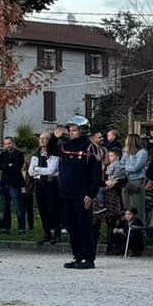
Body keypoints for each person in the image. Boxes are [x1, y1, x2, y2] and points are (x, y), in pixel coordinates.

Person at [58, 114, 102, 270]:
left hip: (82, 195)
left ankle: (88, 258)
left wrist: (91, 194)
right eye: (70, 130)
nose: (71, 132)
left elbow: (96, 175)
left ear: (82, 131)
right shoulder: (66, 146)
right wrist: (53, 137)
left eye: (74, 130)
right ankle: (77, 256)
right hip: (66, 193)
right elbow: (49, 150)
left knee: (84, 226)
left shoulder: (91, 149)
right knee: (72, 227)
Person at [30, 132, 62, 244]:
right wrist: (39, 170)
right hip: (39, 184)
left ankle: (57, 233)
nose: (42, 140)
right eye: (40, 138)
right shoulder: (36, 154)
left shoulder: (53, 154)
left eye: (45, 139)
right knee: (42, 208)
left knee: (53, 208)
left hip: (51, 183)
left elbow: (51, 171)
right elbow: (30, 172)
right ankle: (46, 233)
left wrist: (37, 169)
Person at [0, 137, 26, 233]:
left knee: (18, 207)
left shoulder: (19, 154)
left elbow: (16, 168)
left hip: (15, 184)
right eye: (6, 144)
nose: (8, 145)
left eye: (9, 143)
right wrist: (7, 165)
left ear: (13, 143)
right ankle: (6, 228)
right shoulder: (3, 154)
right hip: (4, 183)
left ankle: (21, 228)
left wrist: (5, 166)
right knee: (5, 208)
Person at [102, 147, 127, 255]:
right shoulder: (104, 166)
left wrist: (115, 182)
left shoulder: (113, 165)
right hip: (107, 193)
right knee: (109, 221)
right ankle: (109, 246)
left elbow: (124, 178)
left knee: (115, 220)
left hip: (114, 194)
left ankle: (115, 245)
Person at [120, 134, 148, 224]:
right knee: (127, 206)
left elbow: (136, 168)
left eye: (127, 139)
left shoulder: (142, 153)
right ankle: (128, 229)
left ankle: (140, 230)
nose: (125, 141)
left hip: (137, 181)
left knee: (137, 206)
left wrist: (124, 168)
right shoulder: (125, 152)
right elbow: (121, 164)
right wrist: (125, 167)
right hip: (126, 180)